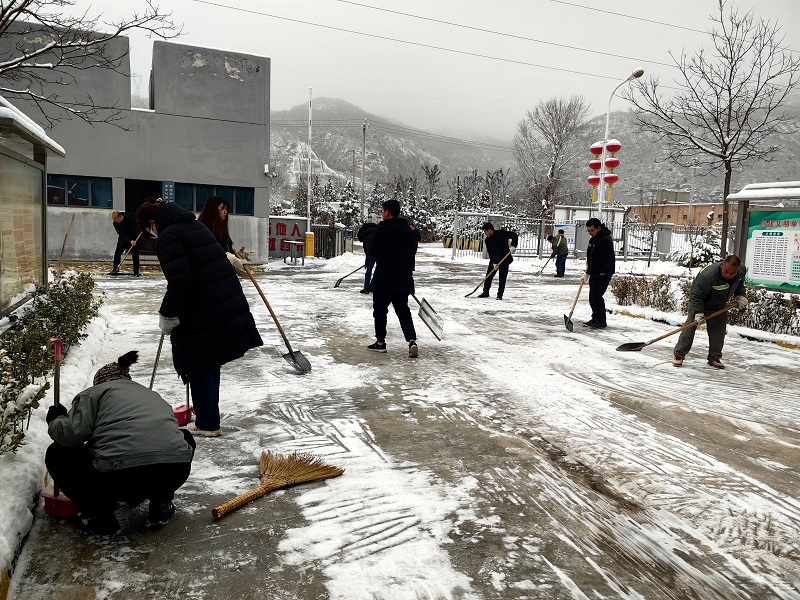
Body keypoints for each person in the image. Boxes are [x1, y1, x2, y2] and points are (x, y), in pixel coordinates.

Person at [137, 199, 263, 436]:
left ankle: (207, 423)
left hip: (203, 307)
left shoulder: (169, 236)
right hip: (219, 301)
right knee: (210, 360)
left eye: (148, 229)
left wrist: (168, 313)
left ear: (152, 223)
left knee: (199, 361)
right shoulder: (195, 226)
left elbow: (180, 281)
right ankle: (207, 415)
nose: (150, 233)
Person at [45, 351, 196, 535]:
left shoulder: (93, 394)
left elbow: (70, 436)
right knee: (184, 438)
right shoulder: (151, 394)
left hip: (119, 476)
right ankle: (161, 503)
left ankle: (99, 517)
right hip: (173, 470)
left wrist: (56, 419)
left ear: (99, 381)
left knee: (57, 453)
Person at [673, 255, 748, 369]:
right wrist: (698, 313)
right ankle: (679, 355)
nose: (728, 275)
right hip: (699, 302)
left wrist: (740, 295)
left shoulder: (741, 271)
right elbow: (696, 295)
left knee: (718, 331)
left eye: (732, 273)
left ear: (737, 270)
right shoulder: (708, 276)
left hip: (718, 305)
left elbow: (738, 284)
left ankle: (714, 358)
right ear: (722, 265)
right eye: (726, 271)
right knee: (689, 328)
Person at [367, 199, 419, 358]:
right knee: (403, 310)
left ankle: (381, 342)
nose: (382, 214)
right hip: (403, 277)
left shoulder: (381, 230)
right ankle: (412, 341)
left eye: (383, 211)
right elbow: (413, 251)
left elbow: (373, 251)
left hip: (384, 278)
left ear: (387, 212)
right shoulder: (408, 231)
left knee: (380, 311)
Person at [583, 218, 615, 329]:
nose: (590, 233)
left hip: (603, 271)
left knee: (596, 296)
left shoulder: (605, 240)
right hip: (595, 271)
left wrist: (588, 272)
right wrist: (588, 265)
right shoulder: (594, 239)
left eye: (592, 230)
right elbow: (591, 254)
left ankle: (601, 321)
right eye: (588, 231)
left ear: (599, 228)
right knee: (592, 296)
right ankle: (595, 318)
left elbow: (598, 260)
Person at [478, 222, 518, 300]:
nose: (485, 233)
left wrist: (513, 245)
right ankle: (485, 292)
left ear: (489, 230)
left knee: (502, 278)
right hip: (495, 261)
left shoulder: (501, 234)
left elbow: (514, 235)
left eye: (485, 231)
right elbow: (490, 253)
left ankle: (500, 295)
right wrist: (494, 263)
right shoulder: (487, 240)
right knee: (488, 276)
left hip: (504, 260)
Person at [109, 211, 141, 276]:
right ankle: (115, 268)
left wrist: (134, 239)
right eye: (113, 219)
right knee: (117, 252)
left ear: (120, 216)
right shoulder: (115, 223)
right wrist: (129, 240)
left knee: (135, 254)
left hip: (134, 238)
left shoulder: (130, 217)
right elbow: (121, 234)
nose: (115, 221)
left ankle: (136, 271)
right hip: (123, 239)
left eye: (116, 219)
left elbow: (137, 225)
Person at [357, 221, 378, 293]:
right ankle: (376, 286)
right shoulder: (377, 232)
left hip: (371, 255)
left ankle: (367, 287)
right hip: (380, 254)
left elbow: (366, 248)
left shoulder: (366, 236)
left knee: (369, 270)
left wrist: (368, 258)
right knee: (379, 271)